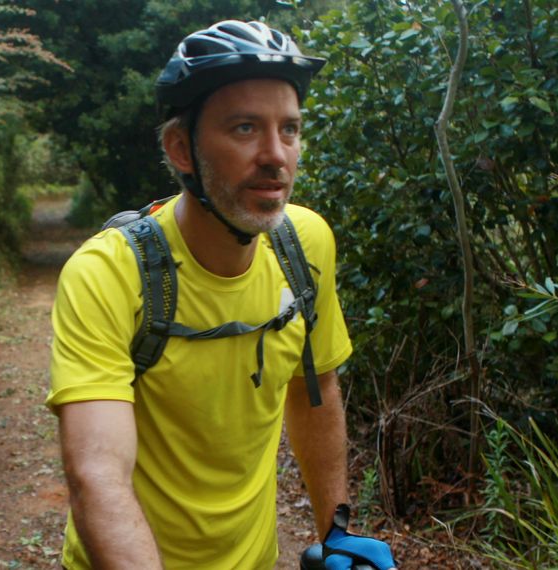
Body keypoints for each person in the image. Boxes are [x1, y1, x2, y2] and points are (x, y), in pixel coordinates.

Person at [45, 20, 397, 570]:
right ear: (181, 148)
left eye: (290, 129)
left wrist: (336, 530)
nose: (276, 155)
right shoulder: (109, 273)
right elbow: (97, 474)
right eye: (244, 129)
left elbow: (316, 385)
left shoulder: (305, 245)